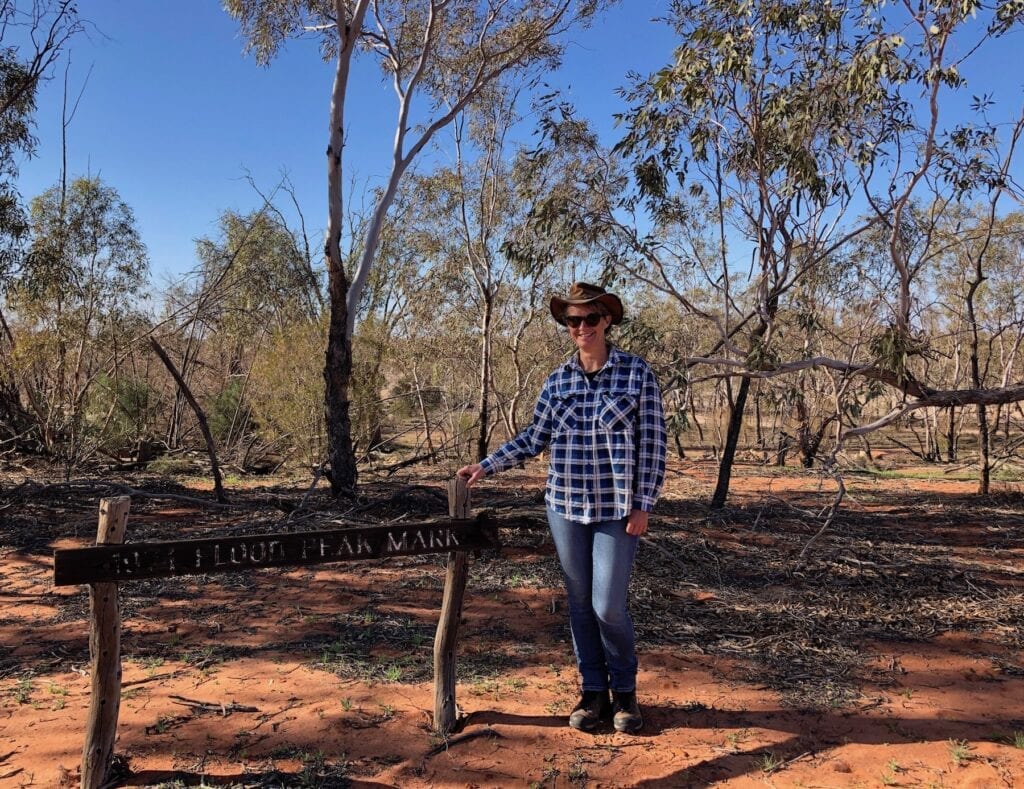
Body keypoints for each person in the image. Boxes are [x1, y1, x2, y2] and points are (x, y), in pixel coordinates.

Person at [458, 282, 667, 734]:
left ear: (607, 320)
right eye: (574, 320)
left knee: (608, 604)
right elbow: (535, 438)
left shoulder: (636, 374)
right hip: (565, 506)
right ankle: (593, 693)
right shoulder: (559, 381)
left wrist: (643, 503)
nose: (582, 327)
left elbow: (652, 445)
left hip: (616, 509)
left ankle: (625, 692)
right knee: (578, 603)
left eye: (591, 318)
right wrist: (487, 466)